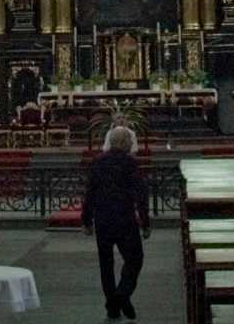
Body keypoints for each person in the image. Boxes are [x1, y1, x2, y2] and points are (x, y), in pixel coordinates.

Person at [81, 124, 150, 320]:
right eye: (129, 139)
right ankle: (122, 293)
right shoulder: (130, 163)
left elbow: (90, 192)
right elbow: (140, 195)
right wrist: (145, 222)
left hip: (102, 219)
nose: (131, 142)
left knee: (106, 263)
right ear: (122, 142)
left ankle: (112, 306)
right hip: (125, 219)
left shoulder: (98, 162)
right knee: (135, 258)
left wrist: (86, 220)